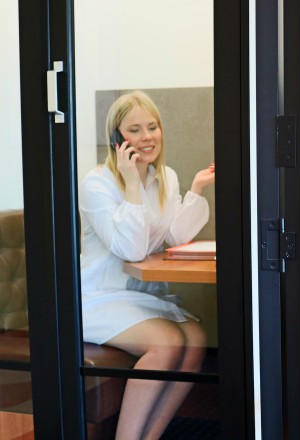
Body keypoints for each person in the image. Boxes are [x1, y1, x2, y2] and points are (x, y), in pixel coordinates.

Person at [79, 90, 215, 440]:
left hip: (138, 295)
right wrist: (133, 185)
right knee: (167, 342)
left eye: (152, 127)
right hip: (99, 295)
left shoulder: (165, 175)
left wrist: (197, 188)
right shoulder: (98, 183)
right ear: (116, 138)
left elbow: (175, 235)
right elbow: (131, 249)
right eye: (134, 129)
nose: (146, 137)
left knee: (196, 339)